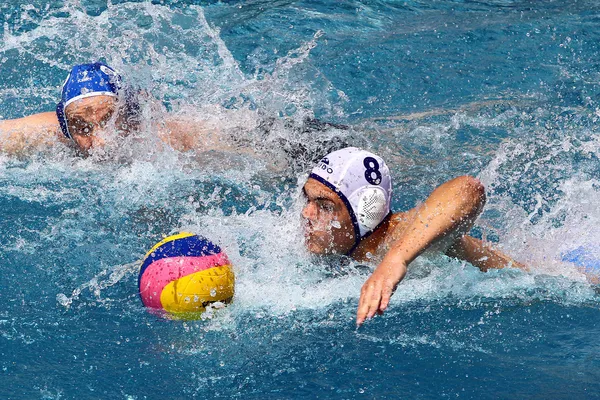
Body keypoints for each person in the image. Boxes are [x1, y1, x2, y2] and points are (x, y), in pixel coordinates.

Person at [300, 147, 526, 326]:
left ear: (364, 213)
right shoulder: (337, 246)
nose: (306, 213)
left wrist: (396, 259)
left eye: (324, 206)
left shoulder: (402, 235)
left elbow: (468, 188)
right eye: (308, 200)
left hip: (528, 289)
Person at [0, 62, 246, 156]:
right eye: (82, 128)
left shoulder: (167, 138)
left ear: (129, 114)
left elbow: (259, 137)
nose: (100, 142)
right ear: (65, 126)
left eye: (108, 121)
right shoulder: (52, 133)